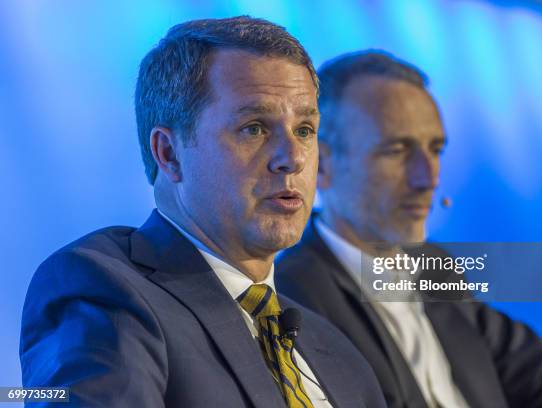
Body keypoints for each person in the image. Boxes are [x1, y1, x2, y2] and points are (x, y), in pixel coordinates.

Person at [19, 18, 386, 408]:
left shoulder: (337, 352)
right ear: (169, 154)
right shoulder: (103, 290)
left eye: (305, 129)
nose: (293, 158)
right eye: (255, 128)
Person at [275, 50, 542, 408]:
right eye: (397, 150)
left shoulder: (434, 264)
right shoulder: (294, 295)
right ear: (321, 165)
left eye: (435, 149)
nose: (428, 177)